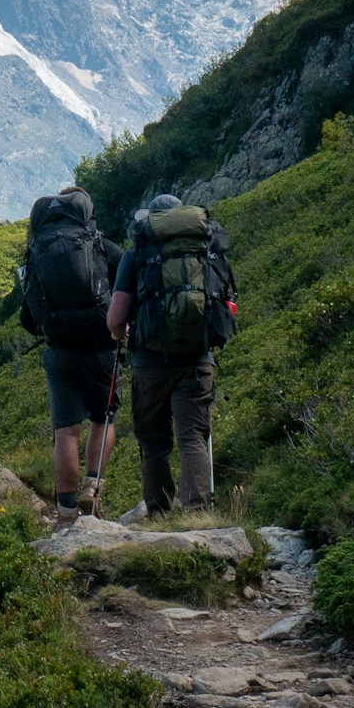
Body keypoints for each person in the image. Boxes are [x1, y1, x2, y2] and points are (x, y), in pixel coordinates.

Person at [108, 193, 237, 515]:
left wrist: (121, 335)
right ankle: (198, 512)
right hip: (197, 360)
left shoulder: (135, 253)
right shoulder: (205, 249)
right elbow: (228, 304)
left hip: (149, 362)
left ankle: (159, 513)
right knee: (192, 437)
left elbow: (115, 318)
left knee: (154, 444)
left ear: (151, 222)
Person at [16, 188, 124, 521]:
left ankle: (65, 511)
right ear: (86, 214)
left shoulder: (37, 251)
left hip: (59, 351)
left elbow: (27, 317)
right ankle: (92, 487)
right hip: (103, 346)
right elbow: (126, 295)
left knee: (65, 431)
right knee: (103, 419)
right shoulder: (103, 248)